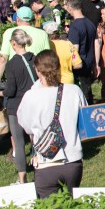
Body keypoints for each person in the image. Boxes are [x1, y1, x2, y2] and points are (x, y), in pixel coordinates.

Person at [17, 50, 88, 199]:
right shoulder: (74, 91)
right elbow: (86, 121)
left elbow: (26, 126)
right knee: (72, 208)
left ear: (37, 70)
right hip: (72, 162)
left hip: (46, 163)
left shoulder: (30, 96)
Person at [0, 29, 38, 184]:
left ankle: (22, 178)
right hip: (34, 103)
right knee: (36, 139)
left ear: (13, 43)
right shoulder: (34, 59)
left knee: (19, 142)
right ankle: (39, 170)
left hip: (16, 106)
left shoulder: (12, 64)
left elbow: (10, 90)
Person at [0, 7, 50, 79]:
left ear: (17, 19)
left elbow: (3, 59)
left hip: (16, 74)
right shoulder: (43, 34)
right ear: (32, 19)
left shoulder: (9, 32)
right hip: (36, 75)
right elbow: (47, 59)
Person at [63, 0, 97, 104]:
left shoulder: (75, 26)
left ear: (69, 8)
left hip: (79, 64)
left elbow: (74, 49)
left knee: (80, 92)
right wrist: (97, 63)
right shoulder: (90, 23)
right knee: (87, 89)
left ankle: (83, 112)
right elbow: (97, 43)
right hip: (89, 61)